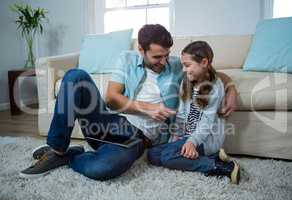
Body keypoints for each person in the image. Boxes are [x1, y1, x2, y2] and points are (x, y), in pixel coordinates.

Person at [20, 24, 238, 180]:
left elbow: (210, 72)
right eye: (157, 57)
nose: (164, 62)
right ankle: (57, 149)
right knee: (75, 76)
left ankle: (70, 156)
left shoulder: (176, 65)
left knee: (101, 169)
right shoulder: (126, 59)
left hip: (137, 140)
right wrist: (147, 108)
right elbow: (111, 99)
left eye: (166, 55)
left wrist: (230, 89)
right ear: (141, 50)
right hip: (110, 123)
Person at [147, 41, 240, 184]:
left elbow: (206, 123)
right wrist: (176, 137)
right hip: (187, 136)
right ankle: (213, 157)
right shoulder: (187, 82)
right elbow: (182, 114)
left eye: (187, 65)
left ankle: (220, 166)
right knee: (152, 155)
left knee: (167, 157)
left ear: (204, 62)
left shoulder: (215, 86)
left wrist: (191, 142)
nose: (184, 69)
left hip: (206, 140)